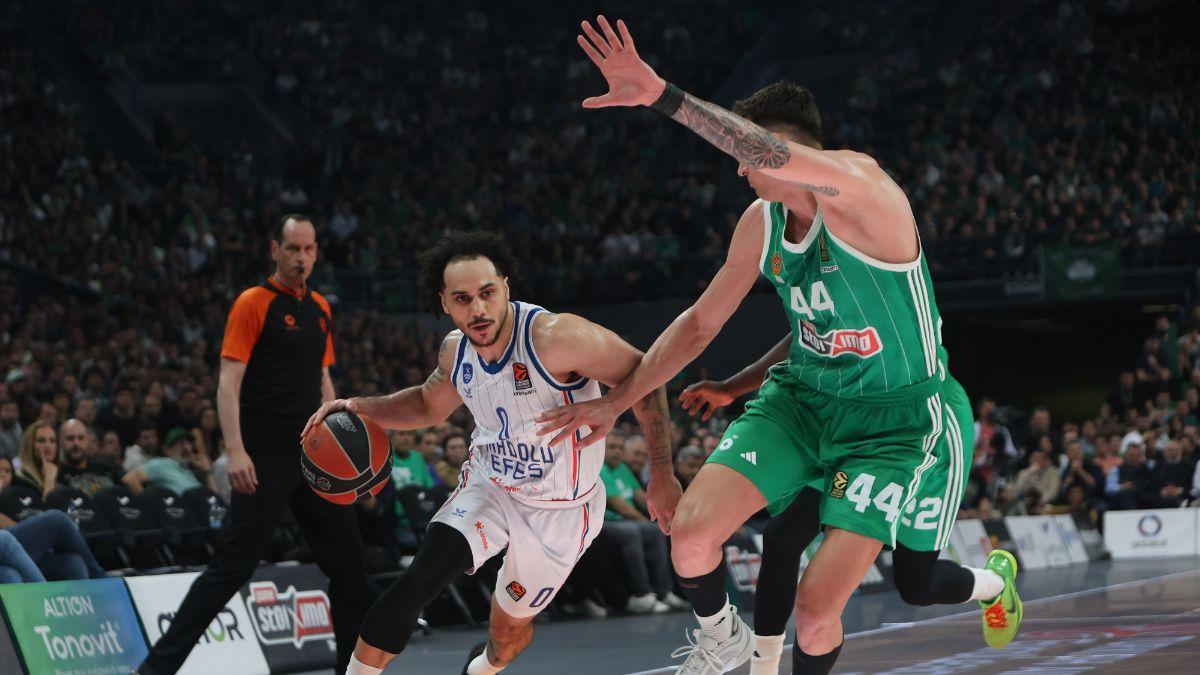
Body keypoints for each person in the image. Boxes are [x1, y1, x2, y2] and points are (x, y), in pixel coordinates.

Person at [539, 18, 1019, 674]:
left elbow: (761, 152)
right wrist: (618, 402)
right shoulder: (761, 222)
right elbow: (701, 325)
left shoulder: (864, 189)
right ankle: (725, 641)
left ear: (782, 149)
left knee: (828, 608)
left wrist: (661, 96)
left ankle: (992, 584)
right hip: (803, 403)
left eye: (747, 153)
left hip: (898, 422)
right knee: (691, 537)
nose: (739, 168)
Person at [303, 231, 680, 675]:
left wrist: (660, 471)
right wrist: (356, 405)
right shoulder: (455, 351)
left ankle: (481, 668)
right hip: (490, 486)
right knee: (418, 581)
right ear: (445, 303)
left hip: (560, 511)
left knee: (506, 636)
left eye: (487, 293)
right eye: (462, 299)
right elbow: (426, 405)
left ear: (505, 286)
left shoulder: (556, 337)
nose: (478, 310)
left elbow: (646, 372)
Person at [679, 332, 1010, 673]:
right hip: (852, 414)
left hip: (923, 420)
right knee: (782, 537)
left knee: (916, 585)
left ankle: (995, 584)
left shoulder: (895, 299)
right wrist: (732, 387)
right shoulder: (818, 300)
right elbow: (805, 332)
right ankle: (762, 668)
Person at [137, 215, 370, 675]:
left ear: (317, 252)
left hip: (314, 457)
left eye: (308, 249)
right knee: (232, 567)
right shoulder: (252, 303)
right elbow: (228, 383)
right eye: (292, 249)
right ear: (274, 250)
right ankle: (154, 671)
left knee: (350, 567)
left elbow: (324, 381)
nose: (301, 257)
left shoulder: (321, 307)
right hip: (264, 457)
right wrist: (235, 450)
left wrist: (343, 449)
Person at [599, 432, 688, 613]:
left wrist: (660, 514)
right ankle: (642, 593)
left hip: (626, 522)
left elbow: (641, 496)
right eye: (612, 447)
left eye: (620, 448)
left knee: (655, 531)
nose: (617, 452)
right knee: (634, 531)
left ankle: (664, 592)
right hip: (605, 522)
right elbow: (620, 506)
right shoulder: (600, 469)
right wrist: (648, 521)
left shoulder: (622, 469)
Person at [0, 457, 107, 582]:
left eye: (7, 471)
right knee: (56, 519)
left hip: (18, 552)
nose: (3, 474)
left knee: (73, 563)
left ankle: (95, 590)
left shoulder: (21, 490)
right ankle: (99, 577)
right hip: (8, 544)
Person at [122, 427, 219, 496]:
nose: (187, 448)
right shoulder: (162, 464)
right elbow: (130, 479)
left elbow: (215, 499)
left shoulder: (189, 472)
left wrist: (208, 471)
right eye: (182, 444)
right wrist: (152, 505)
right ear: (168, 450)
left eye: (189, 443)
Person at [57, 418, 123, 496]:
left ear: (87, 441)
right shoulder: (57, 475)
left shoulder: (106, 469)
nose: (76, 443)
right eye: (70, 438)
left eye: (81, 438)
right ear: (60, 441)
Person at [12, 420, 59, 499]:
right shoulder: (20, 479)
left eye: (52, 440)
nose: (48, 445)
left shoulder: (60, 475)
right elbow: (48, 506)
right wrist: (49, 482)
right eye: (41, 440)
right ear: (29, 445)